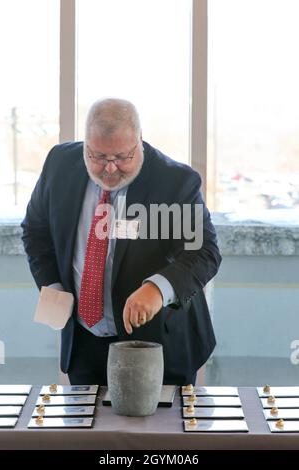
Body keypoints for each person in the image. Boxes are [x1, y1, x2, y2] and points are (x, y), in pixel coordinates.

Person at [21, 98, 221, 386]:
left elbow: (203, 252)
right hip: (85, 343)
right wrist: (53, 285)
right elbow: (35, 231)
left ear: (139, 141)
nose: (110, 169)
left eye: (122, 157)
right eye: (98, 157)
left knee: (159, 430)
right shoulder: (60, 164)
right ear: (86, 145)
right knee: (90, 429)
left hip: (159, 345)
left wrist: (157, 289)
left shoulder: (175, 181)